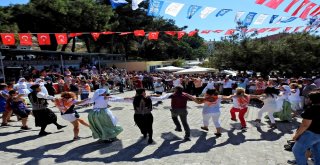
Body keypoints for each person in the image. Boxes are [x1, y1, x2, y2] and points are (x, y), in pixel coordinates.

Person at [292, 90, 320, 165]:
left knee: (297, 151)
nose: (306, 99)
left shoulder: (311, 109)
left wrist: (296, 135)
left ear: (311, 100)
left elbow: (305, 125)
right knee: (317, 153)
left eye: (308, 98)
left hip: (310, 134)